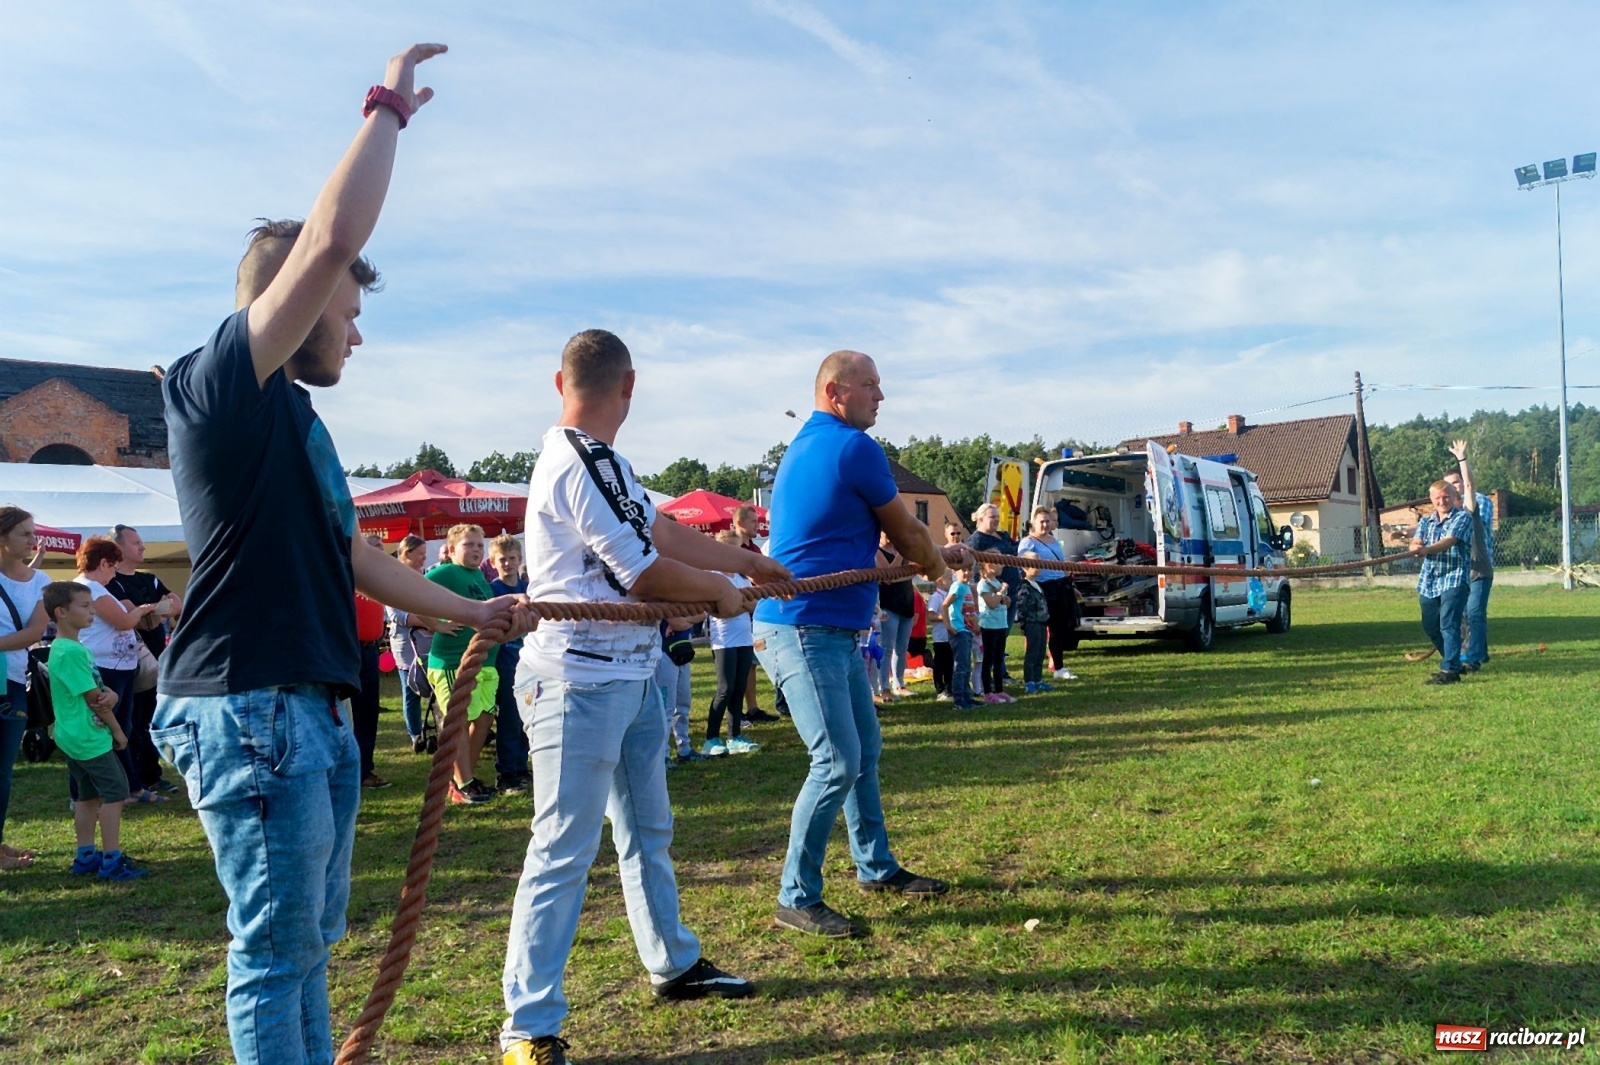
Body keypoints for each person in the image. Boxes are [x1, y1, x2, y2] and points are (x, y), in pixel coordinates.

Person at [150, 44, 520, 1065]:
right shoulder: (215, 386)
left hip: (307, 707)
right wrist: (387, 107)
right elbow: (329, 237)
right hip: (249, 708)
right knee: (274, 954)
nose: (356, 337)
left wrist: (471, 613)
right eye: (348, 314)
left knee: (308, 946)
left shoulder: (300, 425)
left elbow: (352, 553)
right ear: (298, 304)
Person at [501, 329, 787, 1064]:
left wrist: (747, 561)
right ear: (630, 386)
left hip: (625, 677)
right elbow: (643, 572)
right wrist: (725, 590)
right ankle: (526, 1028)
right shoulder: (575, 459)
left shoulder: (606, 463)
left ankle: (673, 961)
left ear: (556, 379)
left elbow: (658, 531)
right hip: (576, 681)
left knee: (646, 830)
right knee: (563, 849)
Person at [752, 349, 955, 942]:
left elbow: (850, 541)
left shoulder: (811, 445)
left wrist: (912, 561)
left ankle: (875, 867)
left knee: (863, 750)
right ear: (836, 393)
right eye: (871, 387)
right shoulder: (852, 446)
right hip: (803, 624)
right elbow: (910, 531)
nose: (881, 397)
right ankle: (796, 896)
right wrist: (940, 567)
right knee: (837, 760)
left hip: (826, 628)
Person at [44, 582, 149, 881]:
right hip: (89, 737)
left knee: (87, 797)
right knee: (116, 793)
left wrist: (112, 695)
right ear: (62, 612)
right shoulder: (70, 652)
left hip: (72, 735)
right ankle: (111, 860)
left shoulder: (70, 648)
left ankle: (86, 855)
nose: (92, 611)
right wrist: (118, 732)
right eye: (85, 606)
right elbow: (95, 701)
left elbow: (98, 692)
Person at [75, 537, 162, 804]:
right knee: (112, 730)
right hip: (106, 670)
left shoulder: (92, 588)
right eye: (113, 566)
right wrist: (144, 610)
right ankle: (119, 790)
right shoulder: (92, 588)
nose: (114, 573)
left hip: (115, 668)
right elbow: (124, 621)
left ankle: (128, 787)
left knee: (120, 729)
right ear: (103, 563)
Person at [426, 524, 500, 804]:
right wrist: (438, 625)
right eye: (469, 545)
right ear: (452, 548)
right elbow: (411, 599)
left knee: (483, 718)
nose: (476, 550)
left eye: (480, 545)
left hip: (485, 661)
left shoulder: (479, 574)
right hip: (452, 661)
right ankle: (463, 783)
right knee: (459, 720)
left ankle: (461, 779)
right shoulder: (445, 572)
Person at [106, 524, 183, 795]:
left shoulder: (149, 578)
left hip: (154, 660)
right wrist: (155, 611)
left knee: (150, 717)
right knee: (131, 721)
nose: (143, 547)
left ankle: (151, 775)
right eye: (136, 542)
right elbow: (137, 619)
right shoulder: (110, 582)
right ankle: (132, 779)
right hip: (125, 662)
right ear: (119, 548)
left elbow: (177, 604)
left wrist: (152, 612)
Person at [0, 506, 48, 870]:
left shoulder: (39, 581)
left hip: (12, 681)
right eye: (25, 534)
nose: (33, 540)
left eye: (32, 533)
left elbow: (34, 634)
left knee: (3, 770)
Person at [385, 534, 458, 753]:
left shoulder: (427, 577)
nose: (423, 560)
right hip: (407, 645)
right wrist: (429, 622)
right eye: (420, 555)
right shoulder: (392, 579)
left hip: (429, 642)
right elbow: (397, 615)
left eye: (425, 555)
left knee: (434, 688)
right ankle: (415, 733)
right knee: (411, 690)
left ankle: (440, 727)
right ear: (406, 554)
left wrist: (435, 622)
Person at [1410, 480, 1475, 685]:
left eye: (1446, 497)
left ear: (1454, 497)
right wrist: (1416, 544)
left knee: (1449, 624)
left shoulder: (1463, 517)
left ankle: (1450, 670)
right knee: (1430, 625)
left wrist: (1427, 549)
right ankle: (1452, 660)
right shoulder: (1426, 522)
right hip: (1429, 581)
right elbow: (1416, 541)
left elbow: (1450, 540)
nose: (1442, 501)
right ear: (1431, 500)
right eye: (1437, 498)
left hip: (1454, 579)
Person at [702, 528, 760, 756]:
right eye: (734, 550)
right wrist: (740, 604)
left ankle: (734, 736)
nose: (739, 554)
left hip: (744, 637)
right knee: (725, 689)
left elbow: (753, 605)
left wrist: (739, 604)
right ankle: (711, 738)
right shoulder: (714, 577)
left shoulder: (741, 578)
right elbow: (721, 611)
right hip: (724, 640)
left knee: (738, 688)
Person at [487, 533, 532, 794]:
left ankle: (521, 765)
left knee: (527, 717)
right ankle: (507, 771)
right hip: (505, 661)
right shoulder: (493, 591)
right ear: (493, 562)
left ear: (519, 560)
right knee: (509, 718)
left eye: (512, 559)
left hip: (529, 660)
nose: (507, 564)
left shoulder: (528, 589)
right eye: (502, 560)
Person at [1444, 440, 1494, 673]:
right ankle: (1473, 654)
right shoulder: (1448, 512)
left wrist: (1462, 459)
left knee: (1474, 612)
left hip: (1479, 568)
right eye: (1448, 486)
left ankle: (1472, 658)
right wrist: (1407, 533)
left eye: (1455, 483)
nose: (1451, 488)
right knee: (1463, 615)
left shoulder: (1473, 505)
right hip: (1460, 571)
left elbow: (1471, 488)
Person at [1016, 505, 1079, 680]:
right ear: (1033, 522)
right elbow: (1024, 567)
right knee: (1039, 630)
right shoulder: (1028, 542)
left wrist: (1072, 586)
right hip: (1042, 588)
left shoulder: (1054, 541)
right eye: (1041, 521)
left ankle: (1058, 667)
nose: (1045, 525)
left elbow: (1062, 565)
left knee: (1059, 629)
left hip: (1060, 586)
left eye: (1047, 521)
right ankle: (1033, 672)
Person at [731, 504, 780, 723]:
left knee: (751, 663)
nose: (757, 526)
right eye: (753, 522)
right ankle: (735, 711)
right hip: (735, 617)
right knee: (735, 667)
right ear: (739, 523)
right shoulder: (729, 550)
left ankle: (752, 707)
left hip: (755, 612)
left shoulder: (754, 549)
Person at [965, 503, 1020, 682]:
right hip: (991, 595)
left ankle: (1001, 672)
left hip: (1008, 593)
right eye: (992, 517)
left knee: (1003, 634)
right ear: (980, 519)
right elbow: (974, 573)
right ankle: (993, 675)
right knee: (994, 637)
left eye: (997, 516)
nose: (996, 520)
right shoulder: (976, 541)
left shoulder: (1003, 536)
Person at [875, 530, 917, 699]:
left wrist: (904, 572)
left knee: (902, 647)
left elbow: (915, 570)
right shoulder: (877, 551)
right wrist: (901, 554)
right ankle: (884, 686)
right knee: (887, 647)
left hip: (906, 602)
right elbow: (888, 574)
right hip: (889, 605)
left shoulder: (901, 550)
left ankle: (899, 683)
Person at [976, 560, 1014, 703]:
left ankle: (999, 690)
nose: (1002, 565)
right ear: (988, 565)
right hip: (989, 625)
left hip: (1000, 624)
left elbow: (1002, 602)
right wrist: (1001, 592)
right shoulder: (983, 584)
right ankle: (987, 692)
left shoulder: (998, 582)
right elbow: (991, 604)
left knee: (999, 659)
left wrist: (1006, 599)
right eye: (999, 563)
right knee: (988, 659)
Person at [943, 565, 981, 710]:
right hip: (959, 631)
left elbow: (970, 611)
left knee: (966, 666)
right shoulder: (957, 587)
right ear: (954, 572)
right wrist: (949, 626)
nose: (967, 572)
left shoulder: (966, 588)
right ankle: (959, 699)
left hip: (967, 631)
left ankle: (967, 696)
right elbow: (945, 605)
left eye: (970, 569)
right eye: (963, 570)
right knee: (961, 666)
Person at [1014, 554, 1053, 694]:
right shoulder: (1024, 586)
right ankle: (1029, 681)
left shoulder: (1037, 585)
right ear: (1025, 567)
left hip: (1042, 623)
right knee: (1032, 653)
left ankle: (1038, 680)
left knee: (1040, 653)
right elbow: (1022, 607)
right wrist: (1024, 625)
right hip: (1032, 623)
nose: (1038, 566)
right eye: (1034, 564)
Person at [925, 572, 953, 701]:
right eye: (948, 578)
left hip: (950, 635)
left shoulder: (951, 595)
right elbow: (930, 616)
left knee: (950, 663)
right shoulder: (936, 597)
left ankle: (949, 687)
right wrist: (944, 617)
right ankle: (939, 688)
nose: (951, 580)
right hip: (940, 637)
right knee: (940, 663)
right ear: (939, 581)